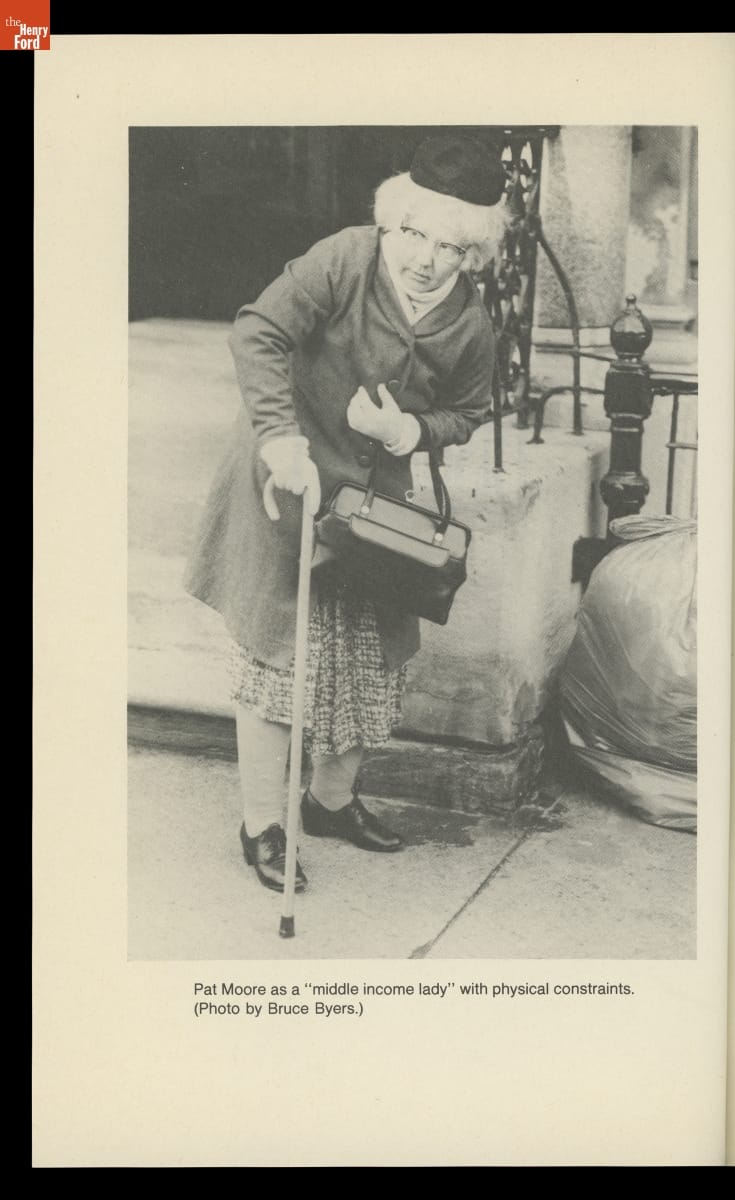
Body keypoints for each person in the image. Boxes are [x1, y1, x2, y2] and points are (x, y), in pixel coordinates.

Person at [184, 134, 506, 892]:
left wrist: (410, 431)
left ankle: (329, 802)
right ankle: (262, 825)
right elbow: (258, 331)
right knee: (278, 660)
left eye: (451, 247)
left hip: (375, 506)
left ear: (473, 253)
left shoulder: (472, 323)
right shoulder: (345, 259)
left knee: (370, 660)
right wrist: (279, 440)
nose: (426, 259)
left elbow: (469, 411)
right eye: (415, 234)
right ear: (393, 221)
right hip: (290, 478)